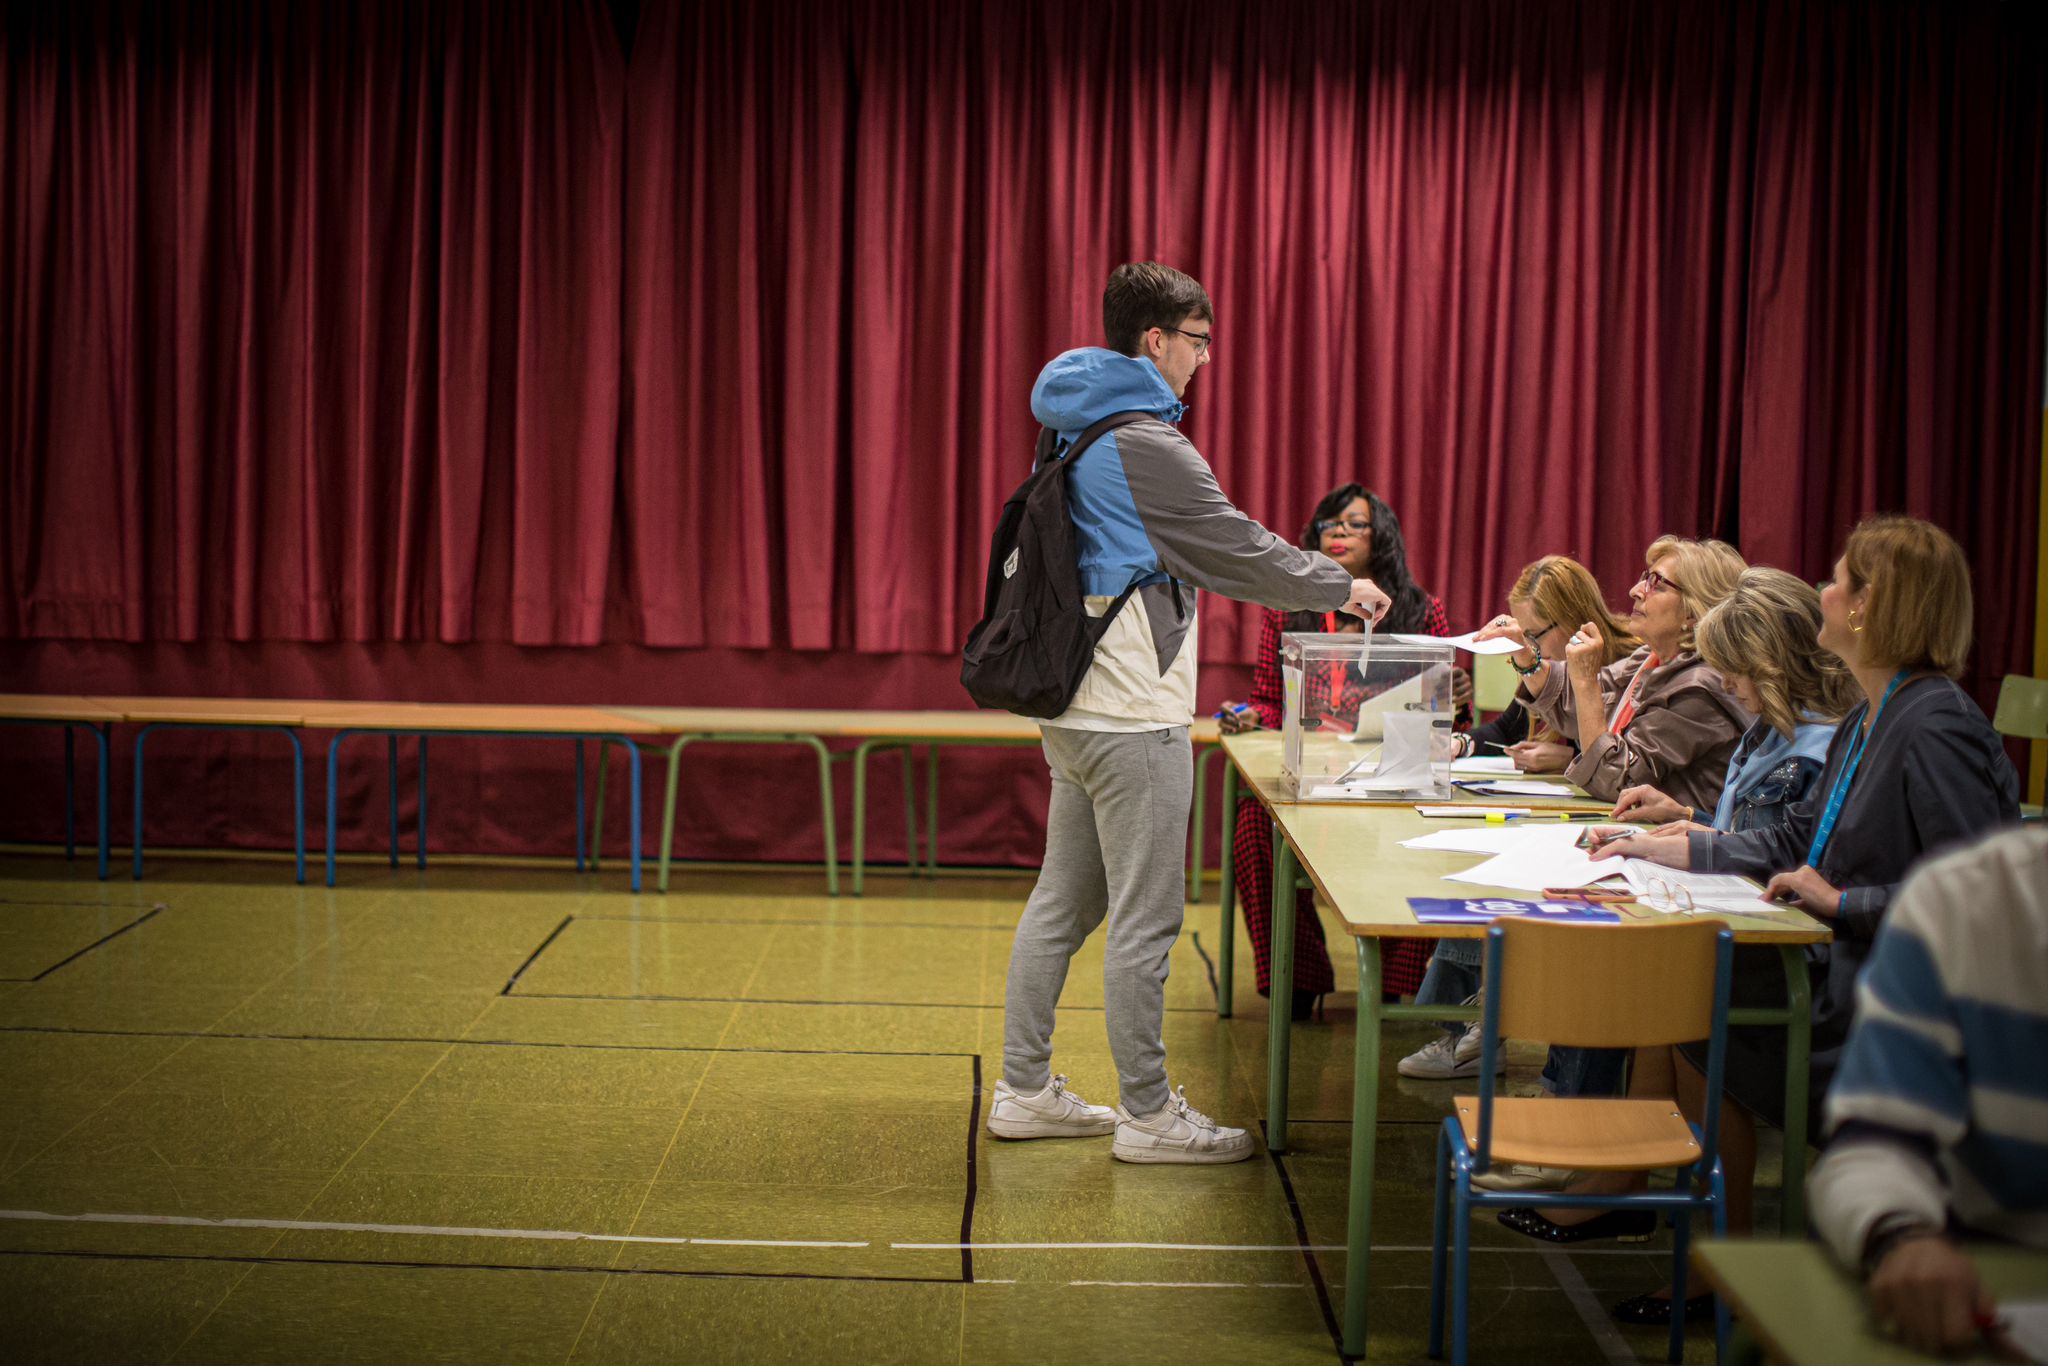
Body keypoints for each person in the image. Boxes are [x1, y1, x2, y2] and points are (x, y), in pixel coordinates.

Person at [1514, 515, 2022, 1328]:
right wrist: (1691, 843)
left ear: (1876, 607)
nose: (1824, 589)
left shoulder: (1934, 725)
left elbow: (1987, 904)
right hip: (1843, 967)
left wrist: (1843, 902)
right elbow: (1795, 837)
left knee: (1688, 1005)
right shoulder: (1876, 712)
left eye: (1842, 580)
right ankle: (1700, 1239)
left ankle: (1719, 1258)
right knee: (1677, 993)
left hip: (1890, 1014)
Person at [989, 262, 1391, 1166]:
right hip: (1134, 713)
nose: (1205, 362)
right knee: (1146, 915)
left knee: (1066, 899)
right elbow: (1233, 546)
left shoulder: (1071, 425)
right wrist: (1341, 582)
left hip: (1078, 706)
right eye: (1199, 343)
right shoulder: (1148, 442)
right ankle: (1146, 1115)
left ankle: (1022, 1090)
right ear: (1156, 341)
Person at [1213, 484, 1466, 1020]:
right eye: (1330, 524)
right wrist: (1251, 714)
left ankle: (1394, 982)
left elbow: (1452, 722)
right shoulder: (1289, 611)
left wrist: (1454, 695)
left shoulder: (1422, 611)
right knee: (1252, 828)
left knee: (1434, 829)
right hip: (1309, 773)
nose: (1339, 532)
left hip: (1391, 775)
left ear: (1383, 540)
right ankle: (1297, 978)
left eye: (1354, 524)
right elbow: (1265, 696)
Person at [1809, 825, 2046, 1360]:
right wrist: (1903, 1234)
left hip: (1841, 974)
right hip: (1991, 1275)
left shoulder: (1929, 737)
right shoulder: (1969, 901)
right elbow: (1874, 1145)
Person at [1400, 555, 1638, 1080]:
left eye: (1535, 634)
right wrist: (1462, 741)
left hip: (1604, 821)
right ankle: (1467, 1025)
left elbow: (1615, 753)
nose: (1530, 648)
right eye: (1523, 635)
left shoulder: (1624, 661)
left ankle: (1486, 1028)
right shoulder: (1549, 660)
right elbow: (1511, 726)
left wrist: (1570, 754)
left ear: (1570, 617)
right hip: (1572, 809)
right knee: (1473, 870)